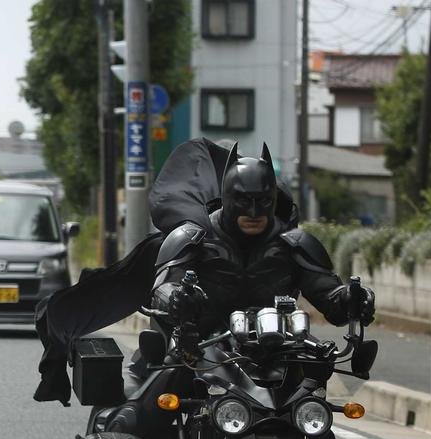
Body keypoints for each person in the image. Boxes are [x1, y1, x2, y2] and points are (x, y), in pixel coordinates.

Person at [33, 140, 375, 408]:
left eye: (262, 201)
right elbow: (162, 287)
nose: (254, 212)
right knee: (135, 421)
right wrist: (178, 300)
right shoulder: (191, 238)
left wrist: (349, 299)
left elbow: (325, 291)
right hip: (196, 352)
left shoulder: (293, 243)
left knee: (317, 418)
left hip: (277, 352)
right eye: (244, 201)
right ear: (227, 198)